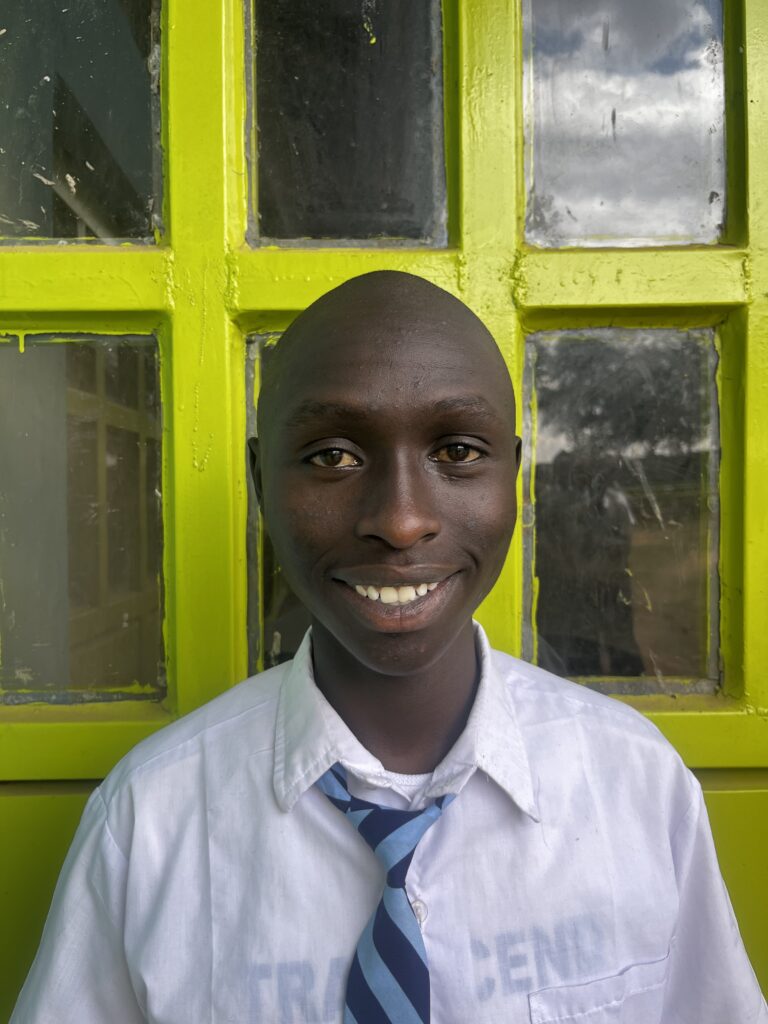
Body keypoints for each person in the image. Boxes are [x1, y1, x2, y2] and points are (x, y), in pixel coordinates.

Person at [12, 272, 766, 1023]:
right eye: (332, 457)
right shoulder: (150, 819)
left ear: (513, 474)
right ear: (260, 483)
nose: (402, 521)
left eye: (459, 450)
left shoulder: (635, 784)